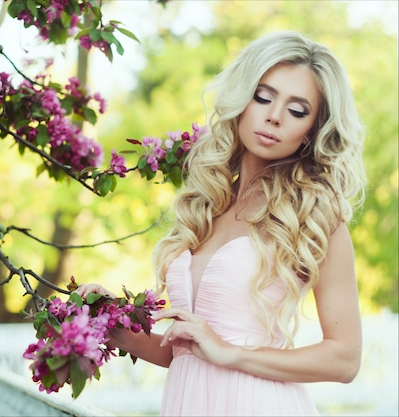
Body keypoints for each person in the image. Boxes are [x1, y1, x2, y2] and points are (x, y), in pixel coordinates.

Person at [75, 31, 366, 416]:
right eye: (263, 97)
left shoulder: (314, 214)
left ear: (312, 130)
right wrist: (112, 325)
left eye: (297, 110)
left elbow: (344, 359)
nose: (274, 116)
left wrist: (231, 353)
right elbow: (188, 354)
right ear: (242, 99)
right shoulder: (207, 206)